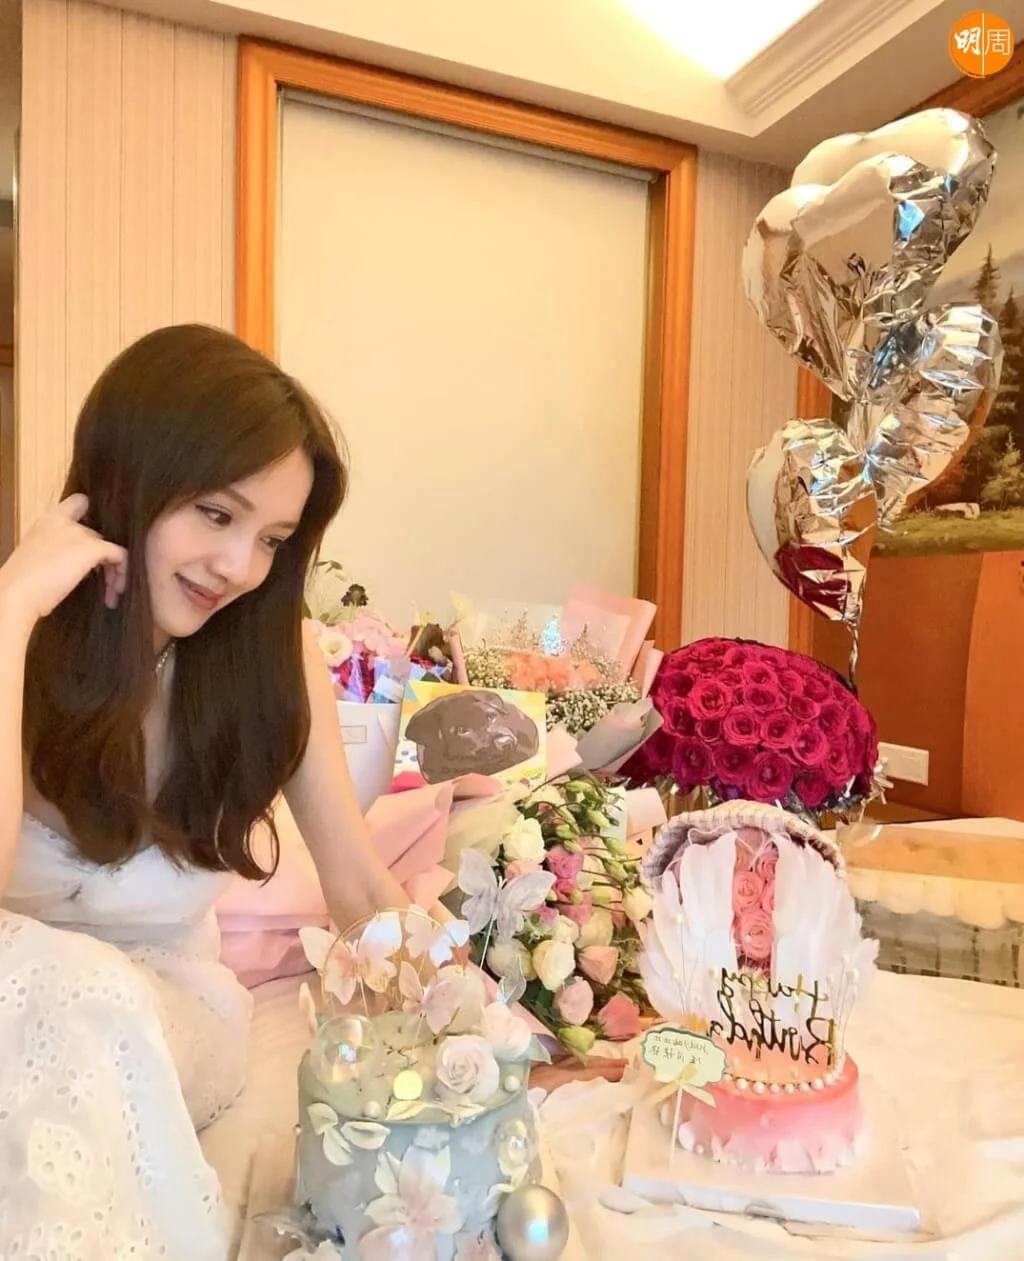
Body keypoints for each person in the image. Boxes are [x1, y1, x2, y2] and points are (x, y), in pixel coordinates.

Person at [0, 325, 408, 1259]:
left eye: (271, 539)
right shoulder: (16, 639)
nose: (239, 567)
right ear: (128, 478)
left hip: (167, 1014)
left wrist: (465, 1026)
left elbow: (356, 885)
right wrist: (11, 611)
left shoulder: (271, 657)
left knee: (86, 992)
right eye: (215, 515)